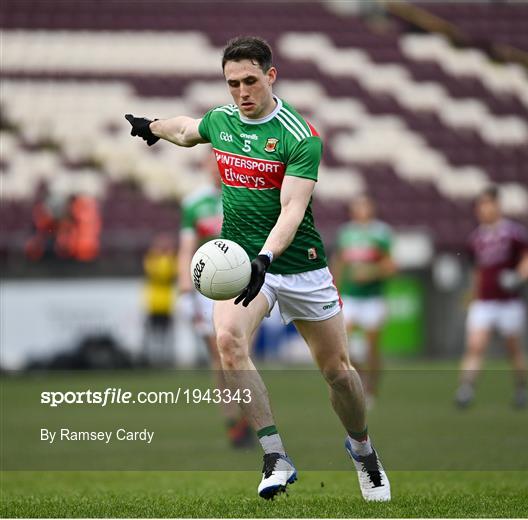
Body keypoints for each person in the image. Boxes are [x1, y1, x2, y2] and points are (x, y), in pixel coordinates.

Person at [125, 36, 390, 502]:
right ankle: (274, 456)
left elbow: (292, 209)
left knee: (339, 374)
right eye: (232, 83)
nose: (241, 91)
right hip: (241, 264)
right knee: (227, 342)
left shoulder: (299, 135)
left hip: (299, 266)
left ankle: (363, 451)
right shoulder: (223, 122)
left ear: (271, 76)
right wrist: (152, 126)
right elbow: (188, 130)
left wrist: (265, 259)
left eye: (250, 80)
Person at [177, 152, 253, 448]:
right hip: (208, 289)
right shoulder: (194, 203)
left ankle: (251, 415)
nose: (217, 167)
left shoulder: (247, 197)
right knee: (220, 358)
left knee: (243, 354)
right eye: (212, 162)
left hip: (244, 285)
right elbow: (187, 247)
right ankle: (232, 418)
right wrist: (185, 285)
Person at [455, 186, 528, 409]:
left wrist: (518, 276)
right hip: (484, 302)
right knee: (475, 345)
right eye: (480, 205)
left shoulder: (512, 232)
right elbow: (477, 271)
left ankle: (521, 388)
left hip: (509, 302)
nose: (483, 209)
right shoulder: (476, 238)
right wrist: (472, 294)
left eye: (487, 204)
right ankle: (466, 389)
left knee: (513, 348)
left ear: (497, 205)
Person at [332, 194, 396, 409]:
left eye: (365, 205)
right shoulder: (346, 233)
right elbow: (339, 264)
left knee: (372, 348)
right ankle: (358, 385)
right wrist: (335, 290)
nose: (361, 210)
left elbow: (391, 266)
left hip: (373, 298)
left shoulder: (381, 233)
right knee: (346, 345)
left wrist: (371, 271)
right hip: (351, 297)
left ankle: (371, 390)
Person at [143, 233, 177, 366]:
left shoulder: (168, 259)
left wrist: (166, 255)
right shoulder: (153, 259)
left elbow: (168, 271)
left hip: (166, 303)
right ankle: (152, 359)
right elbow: (154, 270)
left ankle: (164, 359)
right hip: (154, 303)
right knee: (153, 334)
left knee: (165, 335)